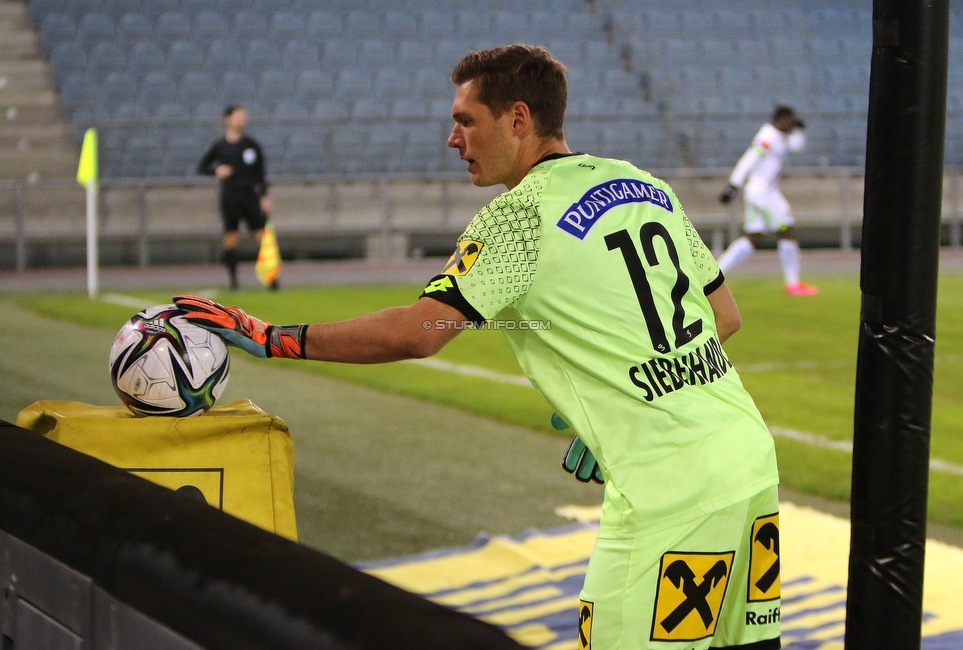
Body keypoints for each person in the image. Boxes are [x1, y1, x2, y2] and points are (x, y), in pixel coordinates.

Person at [174, 45, 781, 650]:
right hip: (747, 460)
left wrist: (272, 337)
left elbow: (420, 330)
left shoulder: (518, 216)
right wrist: (631, 405)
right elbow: (723, 316)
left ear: (518, 119)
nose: (452, 139)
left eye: (465, 121)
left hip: (668, 493)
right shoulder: (642, 184)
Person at [718, 106, 818, 296]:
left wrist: (800, 129)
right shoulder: (768, 135)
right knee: (786, 229)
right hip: (762, 193)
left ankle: (715, 273)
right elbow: (750, 158)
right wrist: (733, 185)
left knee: (753, 237)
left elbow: (796, 146)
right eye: (791, 120)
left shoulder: (781, 136)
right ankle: (793, 283)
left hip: (765, 191)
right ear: (782, 119)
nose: (792, 123)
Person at [197, 104, 277, 291]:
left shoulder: (251, 145)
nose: (243, 119)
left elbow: (261, 174)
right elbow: (202, 167)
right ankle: (234, 282)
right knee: (231, 237)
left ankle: (272, 281)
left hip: (250, 195)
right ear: (228, 118)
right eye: (239, 116)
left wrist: (264, 196)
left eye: (244, 116)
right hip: (230, 196)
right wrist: (217, 170)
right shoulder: (220, 147)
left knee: (263, 237)